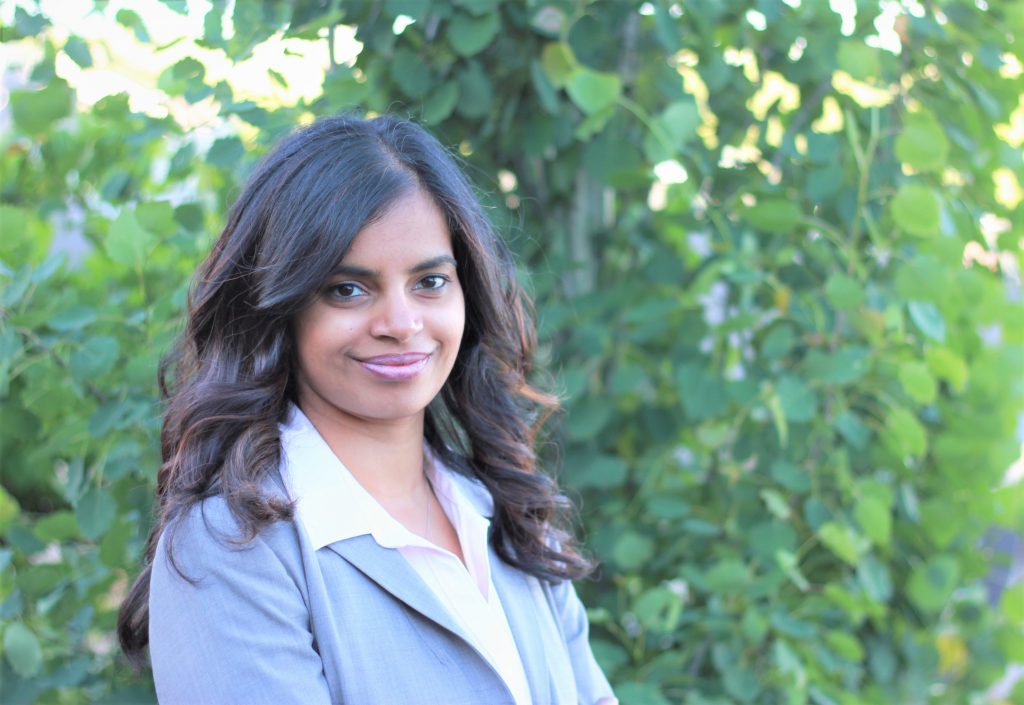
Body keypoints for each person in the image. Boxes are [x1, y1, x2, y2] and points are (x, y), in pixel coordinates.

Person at [116, 114, 618, 705]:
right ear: (279, 307)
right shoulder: (231, 550)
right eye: (347, 290)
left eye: (430, 281)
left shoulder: (507, 513)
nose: (402, 325)